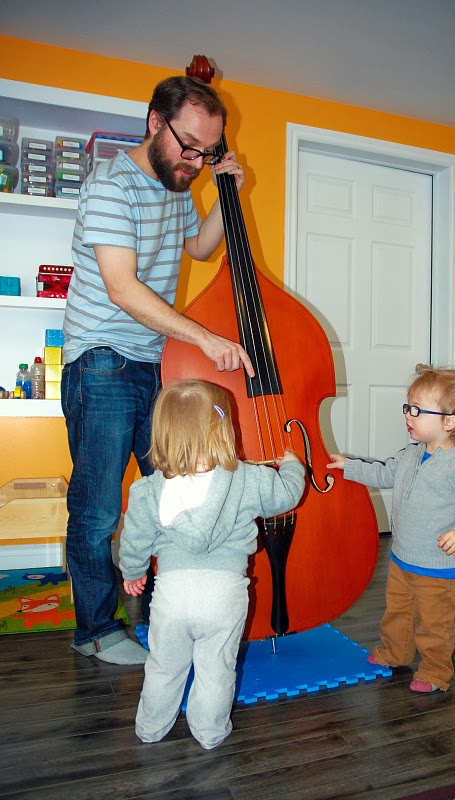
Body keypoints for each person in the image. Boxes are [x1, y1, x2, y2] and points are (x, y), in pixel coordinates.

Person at [61, 75, 255, 665]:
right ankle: (95, 630)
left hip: (152, 360)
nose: (196, 160)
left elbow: (198, 247)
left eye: (208, 151)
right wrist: (206, 338)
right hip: (101, 361)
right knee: (98, 509)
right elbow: (122, 288)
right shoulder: (110, 186)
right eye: (189, 145)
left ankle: (168, 613)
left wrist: (228, 194)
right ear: (154, 123)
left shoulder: (177, 182)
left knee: (172, 496)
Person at [119, 379, 305, 748]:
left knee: (164, 666)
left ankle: (151, 728)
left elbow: (134, 539)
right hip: (223, 594)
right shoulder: (250, 478)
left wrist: (133, 572)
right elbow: (287, 496)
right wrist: (293, 466)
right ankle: (209, 732)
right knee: (215, 668)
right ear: (225, 430)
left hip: (171, 594)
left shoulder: (147, 490)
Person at [327, 368, 455, 693]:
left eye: (417, 410)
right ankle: (396, 652)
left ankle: (434, 671)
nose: (408, 415)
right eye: (407, 407)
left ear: (449, 422)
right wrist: (351, 467)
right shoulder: (411, 454)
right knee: (398, 611)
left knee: (435, 623)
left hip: (438, 565)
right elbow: (386, 473)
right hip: (402, 557)